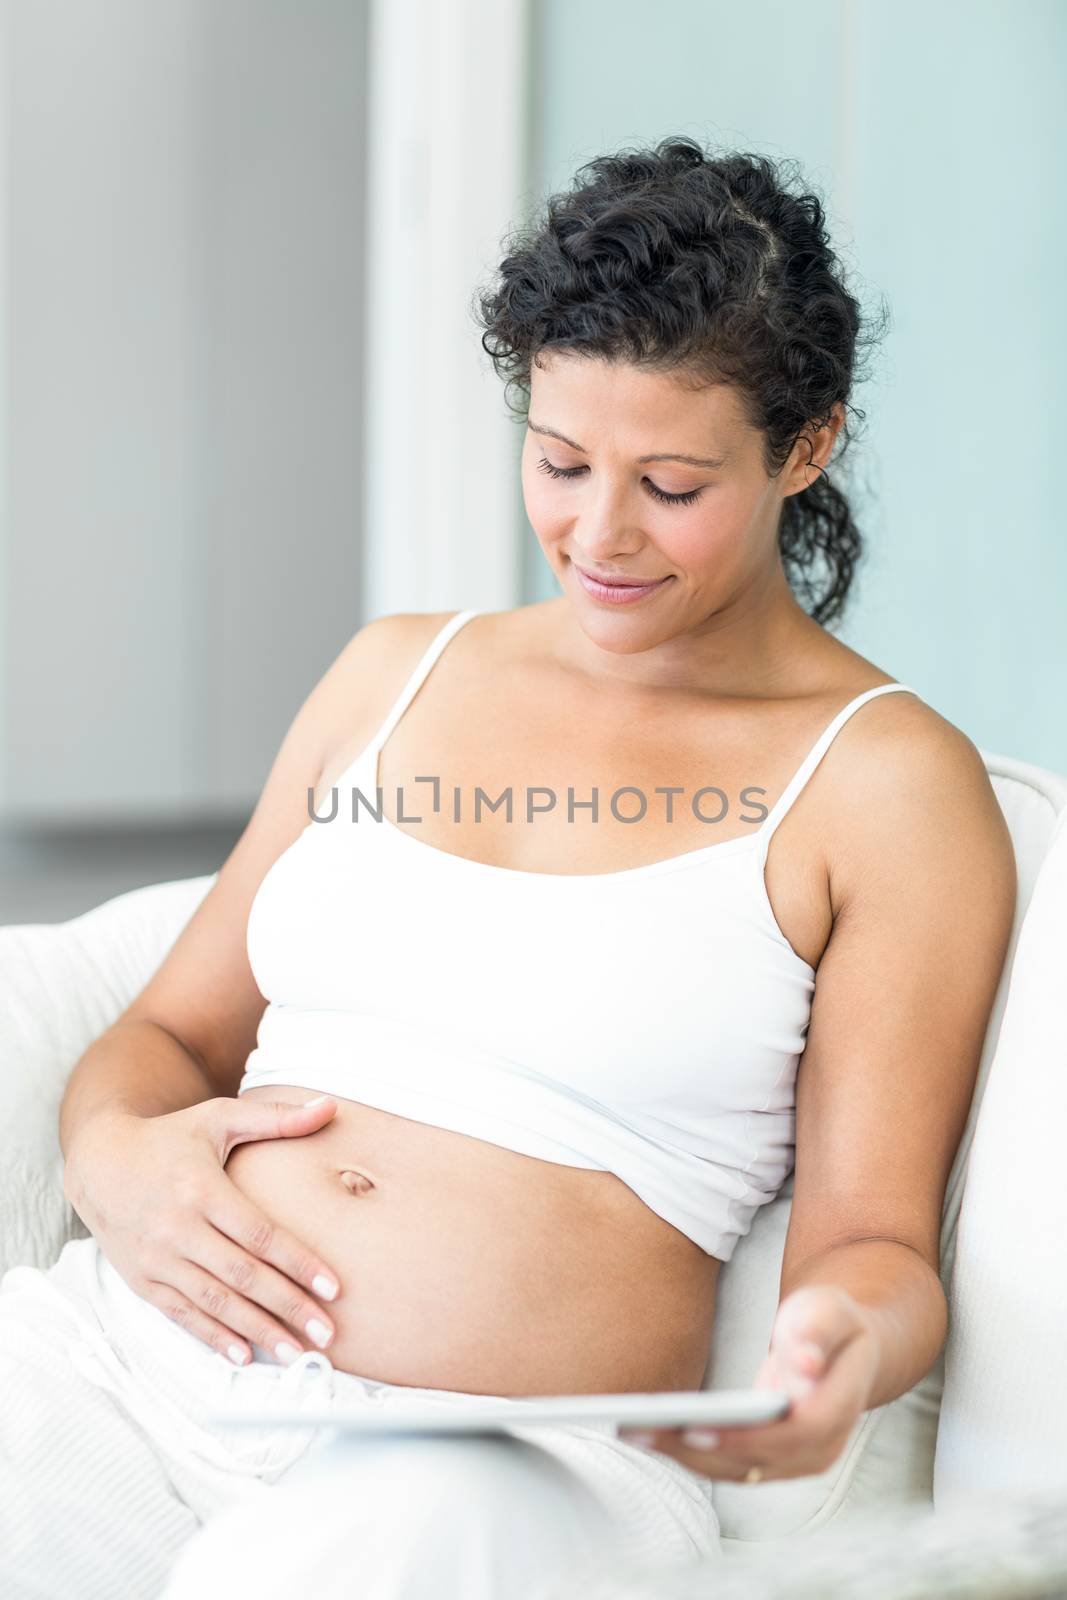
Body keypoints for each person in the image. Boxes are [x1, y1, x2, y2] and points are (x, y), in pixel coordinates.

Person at [0, 136, 1016, 1600]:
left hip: (500, 1465)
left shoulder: (887, 785)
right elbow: (166, 1037)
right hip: (133, 1371)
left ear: (806, 447)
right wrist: (117, 1164)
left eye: (670, 483)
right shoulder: (395, 672)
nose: (596, 535)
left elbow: (873, 1242)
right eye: (558, 463)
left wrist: (845, 1351)